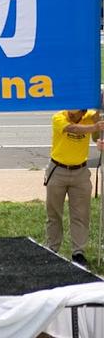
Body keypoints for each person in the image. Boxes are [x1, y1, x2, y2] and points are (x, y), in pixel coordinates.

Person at [44, 107, 103, 268]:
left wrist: (98, 128)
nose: (72, 111)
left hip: (80, 171)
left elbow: (95, 136)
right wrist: (94, 127)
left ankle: (78, 253)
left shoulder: (91, 116)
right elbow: (72, 129)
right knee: (54, 212)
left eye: (76, 111)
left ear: (83, 112)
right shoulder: (58, 117)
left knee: (80, 214)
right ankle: (52, 249)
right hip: (58, 170)